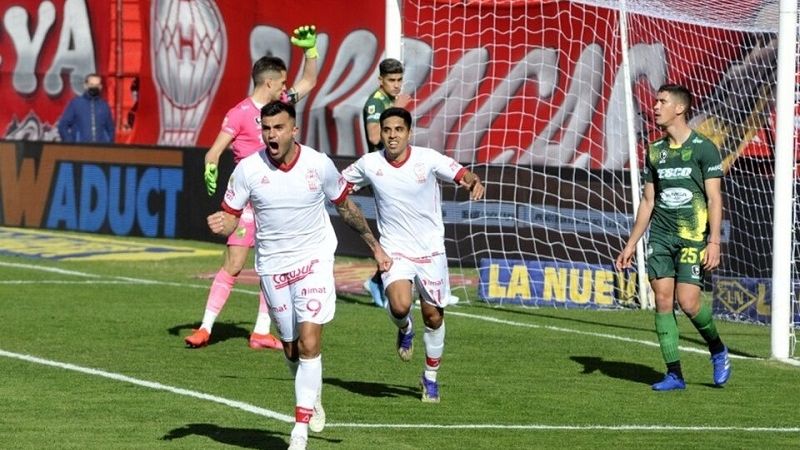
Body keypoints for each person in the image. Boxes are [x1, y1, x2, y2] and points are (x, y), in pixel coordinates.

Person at [207, 100, 391, 450]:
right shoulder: (248, 170)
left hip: (314, 260)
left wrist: (376, 248)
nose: (271, 135)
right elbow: (231, 218)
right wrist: (223, 224)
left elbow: (346, 207)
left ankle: (299, 430)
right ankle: (312, 395)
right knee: (292, 349)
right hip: (273, 266)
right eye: (266, 129)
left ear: (294, 130)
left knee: (309, 342)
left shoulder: (318, 164)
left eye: (278, 128)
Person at [185, 25, 319, 350]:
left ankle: (260, 332)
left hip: (276, 201)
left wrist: (310, 52)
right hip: (247, 202)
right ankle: (205, 327)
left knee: (272, 266)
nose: (286, 88)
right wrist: (211, 167)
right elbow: (214, 151)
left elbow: (309, 81)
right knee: (234, 263)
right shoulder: (240, 113)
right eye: (282, 82)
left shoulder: (281, 106)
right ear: (269, 83)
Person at [342, 107, 484, 402]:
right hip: (395, 249)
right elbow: (338, 185)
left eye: (398, 130)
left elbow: (462, 173)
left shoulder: (427, 158)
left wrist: (473, 181)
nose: (392, 136)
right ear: (381, 134)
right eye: (387, 130)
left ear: (409, 133)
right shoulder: (370, 163)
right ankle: (405, 328)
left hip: (431, 250)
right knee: (400, 306)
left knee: (433, 317)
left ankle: (430, 378)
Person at [615, 83, 731, 391]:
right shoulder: (655, 150)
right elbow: (648, 201)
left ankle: (718, 349)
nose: (655, 106)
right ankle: (674, 374)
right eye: (656, 101)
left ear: (680, 108)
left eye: (662, 101)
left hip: (692, 237)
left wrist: (714, 241)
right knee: (663, 300)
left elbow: (714, 198)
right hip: (661, 237)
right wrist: (630, 244)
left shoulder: (704, 148)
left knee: (688, 302)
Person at [359, 58, 411, 308]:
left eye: (400, 80)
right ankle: (378, 281)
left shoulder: (389, 100)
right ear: (381, 80)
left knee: (404, 230)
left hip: (394, 172)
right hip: (381, 174)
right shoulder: (376, 103)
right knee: (397, 233)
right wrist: (398, 110)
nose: (397, 84)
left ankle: (382, 281)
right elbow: (373, 136)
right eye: (391, 80)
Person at [57, 73, 115, 143]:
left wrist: (108, 143)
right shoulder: (76, 104)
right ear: (85, 85)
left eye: (97, 85)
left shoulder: (104, 105)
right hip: (80, 148)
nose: (94, 87)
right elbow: (62, 126)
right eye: (91, 84)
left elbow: (110, 129)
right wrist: (71, 143)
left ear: (100, 87)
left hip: (101, 148)